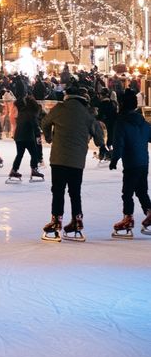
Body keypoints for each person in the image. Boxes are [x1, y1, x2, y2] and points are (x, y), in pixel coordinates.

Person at [41, 83, 104, 241]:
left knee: (58, 191)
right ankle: (77, 220)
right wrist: (99, 143)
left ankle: (56, 221)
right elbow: (98, 135)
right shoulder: (87, 114)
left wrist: (49, 137)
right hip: (77, 161)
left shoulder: (60, 109)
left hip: (59, 158)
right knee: (75, 192)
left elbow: (44, 122)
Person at [109, 89, 151, 237]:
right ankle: (150, 212)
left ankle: (128, 218)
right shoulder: (144, 123)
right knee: (141, 191)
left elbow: (119, 143)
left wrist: (114, 159)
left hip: (131, 163)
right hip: (143, 163)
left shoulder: (122, 122)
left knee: (127, 193)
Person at [7, 96, 44, 183]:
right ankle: (34, 170)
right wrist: (38, 134)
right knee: (34, 153)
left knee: (19, 154)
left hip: (18, 137)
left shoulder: (22, 111)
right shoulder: (31, 114)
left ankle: (14, 170)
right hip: (27, 137)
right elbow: (35, 126)